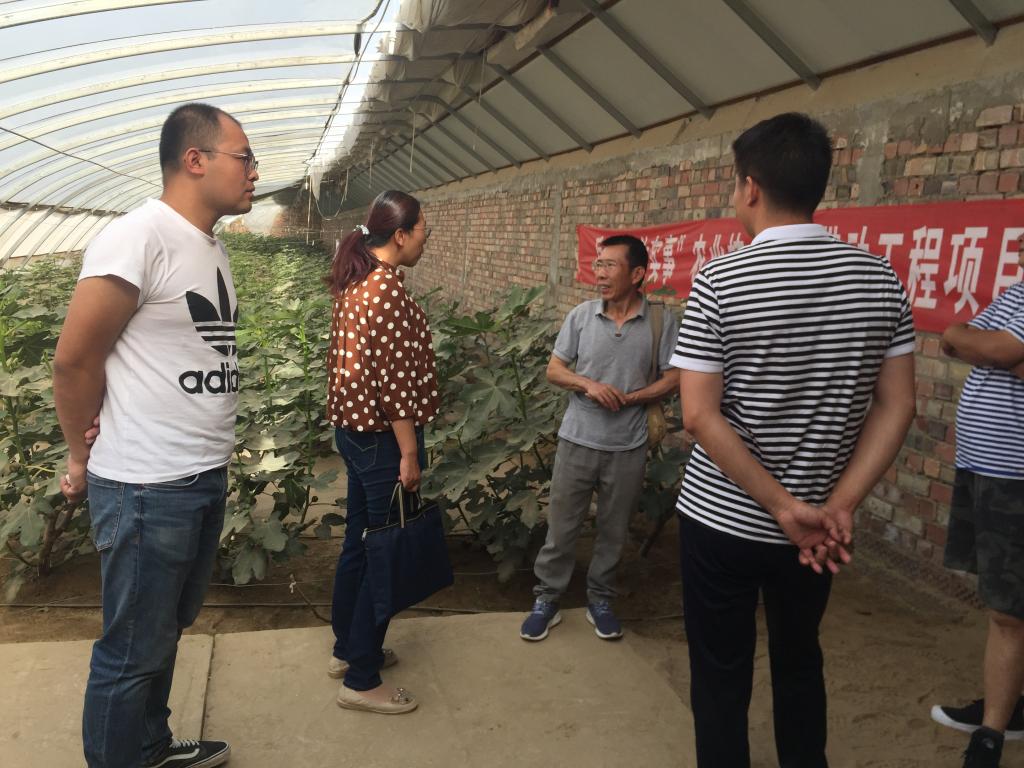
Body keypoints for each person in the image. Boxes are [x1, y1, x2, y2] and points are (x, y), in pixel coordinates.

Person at [672, 112, 917, 768]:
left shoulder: (720, 280)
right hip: (818, 530)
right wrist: (839, 505)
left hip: (723, 521)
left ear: (750, 187)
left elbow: (698, 415)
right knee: (800, 659)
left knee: (720, 673)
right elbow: (898, 405)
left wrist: (780, 506)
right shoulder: (880, 279)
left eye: (734, 186)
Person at [54, 102, 258, 768]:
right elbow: (74, 360)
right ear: (195, 160)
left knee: (164, 632)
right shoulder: (137, 237)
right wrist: (79, 455)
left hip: (199, 474)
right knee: (130, 652)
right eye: (244, 157)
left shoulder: (207, 244)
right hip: (146, 486)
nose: (255, 171)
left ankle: (149, 747)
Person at [520, 234, 679, 642]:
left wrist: (634, 398)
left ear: (637, 274)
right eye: (598, 264)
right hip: (578, 437)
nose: (600, 274)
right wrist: (588, 385)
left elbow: (673, 377)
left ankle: (601, 600)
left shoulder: (660, 322)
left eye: (610, 265)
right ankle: (547, 598)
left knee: (614, 528)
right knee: (562, 526)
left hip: (628, 444)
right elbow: (555, 370)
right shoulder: (581, 316)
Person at [325, 190, 439, 714]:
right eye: (423, 231)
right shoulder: (386, 289)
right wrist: (409, 453)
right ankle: (362, 679)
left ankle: (348, 650)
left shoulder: (358, 280)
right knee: (383, 555)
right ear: (400, 234)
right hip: (383, 441)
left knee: (359, 543)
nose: (425, 240)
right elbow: (393, 384)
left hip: (354, 434)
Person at [930, 229, 1024, 768]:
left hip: (1015, 476)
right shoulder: (1016, 294)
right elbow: (954, 336)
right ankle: (1007, 705)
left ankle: (992, 733)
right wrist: (985, 346)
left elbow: (999, 348)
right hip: (987, 469)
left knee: (1009, 612)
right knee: (1008, 602)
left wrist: (990, 347)